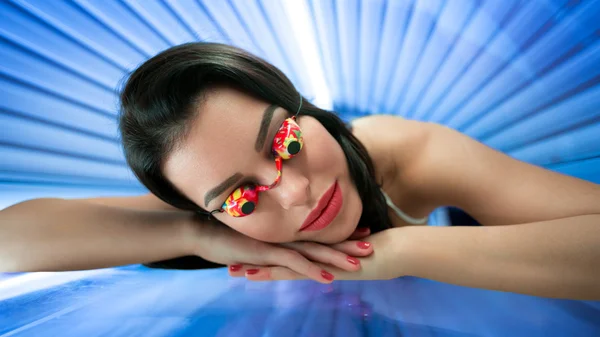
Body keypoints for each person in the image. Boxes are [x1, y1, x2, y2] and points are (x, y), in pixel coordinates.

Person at [1, 43, 599, 300]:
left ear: (302, 107)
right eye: (238, 197)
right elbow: (9, 240)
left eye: (285, 140)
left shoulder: (406, 152)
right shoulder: (221, 225)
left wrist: (401, 253)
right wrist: (199, 236)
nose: (294, 190)